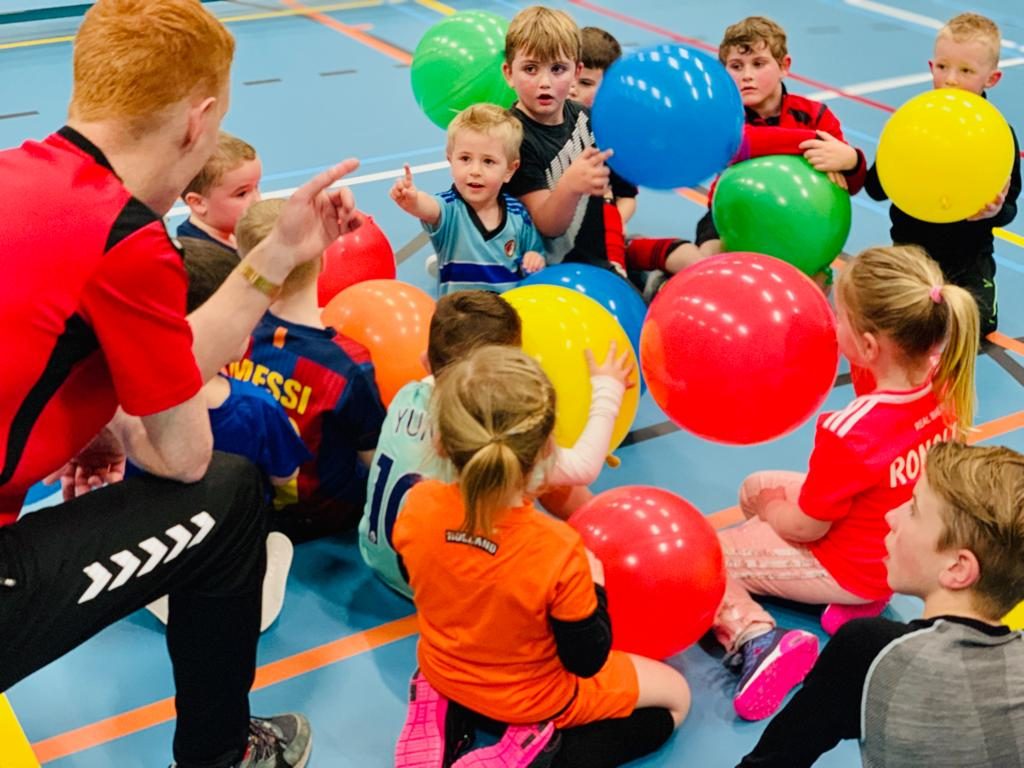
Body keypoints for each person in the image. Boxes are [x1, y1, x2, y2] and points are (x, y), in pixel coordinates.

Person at [0, 1, 363, 766]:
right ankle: (221, 752)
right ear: (199, 122)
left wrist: (277, 255)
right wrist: (126, 425)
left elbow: (127, 357)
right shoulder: (124, 238)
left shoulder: (21, 180)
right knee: (227, 495)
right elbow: (182, 458)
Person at [712, 245, 979, 722]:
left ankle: (756, 639)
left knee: (705, 558)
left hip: (844, 561)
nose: (833, 323)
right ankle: (862, 602)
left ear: (871, 345)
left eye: (838, 317)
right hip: (898, 545)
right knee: (756, 484)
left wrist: (775, 511)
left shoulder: (850, 429)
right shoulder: (944, 378)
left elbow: (807, 526)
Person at [392, 345, 690, 768]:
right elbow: (586, 661)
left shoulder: (418, 503)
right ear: (548, 447)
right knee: (676, 699)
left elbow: (418, 580)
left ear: (441, 442)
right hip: (533, 699)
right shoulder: (556, 548)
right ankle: (540, 754)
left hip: (445, 668)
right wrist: (597, 586)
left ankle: (442, 706)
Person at [737, 441, 1024, 767]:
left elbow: (773, 761)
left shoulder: (871, 651)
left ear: (957, 569)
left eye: (913, 509)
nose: (891, 516)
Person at [359, 290, 631, 598]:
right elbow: (584, 466)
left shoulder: (406, 394)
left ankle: (600, 528)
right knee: (535, 465)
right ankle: (611, 541)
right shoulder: (479, 433)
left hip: (378, 554)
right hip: (436, 585)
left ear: (427, 359)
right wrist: (608, 388)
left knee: (530, 469)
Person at [145, 237, 312, 633]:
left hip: (154, 554)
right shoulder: (256, 406)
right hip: (231, 557)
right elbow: (285, 481)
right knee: (276, 536)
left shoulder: (123, 404)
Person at [661, 15, 867, 292]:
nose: (747, 75)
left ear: (784, 67)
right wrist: (811, 140)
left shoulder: (815, 115)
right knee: (711, 267)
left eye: (758, 64)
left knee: (813, 288)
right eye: (736, 66)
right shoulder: (723, 115)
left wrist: (852, 160)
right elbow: (740, 144)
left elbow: (848, 185)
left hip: (799, 224)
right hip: (730, 216)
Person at [229, 199, 386, 541]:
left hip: (253, 502)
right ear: (324, 257)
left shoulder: (234, 336)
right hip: (326, 516)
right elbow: (375, 457)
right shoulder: (347, 365)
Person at [501, 6, 692, 284]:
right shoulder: (512, 136)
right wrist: (570, 185)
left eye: (558, 69)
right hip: (554, 268)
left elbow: (620, 192)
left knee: (689, 255)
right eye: (530, 69)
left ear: (576, 71)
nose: (545, 82)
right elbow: (548, 225)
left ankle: (644, 279)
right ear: (509, 73)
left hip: (600, 251)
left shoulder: (587, 118)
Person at [864, 12, 1021, 338]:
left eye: (966, 70)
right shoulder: (912, 124)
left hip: (968, 259)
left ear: (991, 79)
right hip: (910, 255)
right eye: (943, 66)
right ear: (931, 66)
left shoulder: (998, 135)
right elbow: (876, 188)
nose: (950, 79)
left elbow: (1010, 208)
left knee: (975, 326)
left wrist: (993, 213)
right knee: (903, 325)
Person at [391, 104, 546, 296]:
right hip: (461, 318)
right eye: (465, 158)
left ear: (509, 170)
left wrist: (534, 257)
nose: (475, 171)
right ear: (450, 160)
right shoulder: (449, 209)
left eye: (488, 161)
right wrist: (413, 201)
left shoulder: (518, 214)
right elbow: (429, 208)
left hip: (506, 315)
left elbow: (534, 251)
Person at [177, 130, 262, 255]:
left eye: (257, 187)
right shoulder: (199, 259)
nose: (257, 201)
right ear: (198, 203)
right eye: (242, 194)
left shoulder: (235, 233)